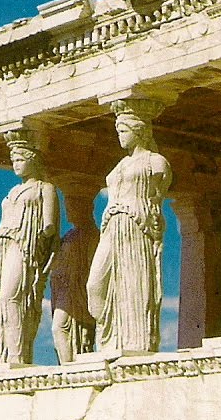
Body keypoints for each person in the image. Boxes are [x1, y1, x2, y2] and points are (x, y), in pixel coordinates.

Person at [86, 100, 172, 352]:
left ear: (139, 131)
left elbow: (157, 198)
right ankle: (110, 339)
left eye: (123, 131)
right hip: (112, 226)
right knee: (95, 285)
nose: (120, 136)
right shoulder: (120, 166)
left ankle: (136, 342)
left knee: (135, 283)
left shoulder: (157, 162)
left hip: (137, 226)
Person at [0, 136, 60, 365]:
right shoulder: (13, 190)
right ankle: (6, 353)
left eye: (20, 159)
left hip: (26, 247)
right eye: (13, 160)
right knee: (4, 300)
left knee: (12, 296)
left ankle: (18, 354)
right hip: (5, 246)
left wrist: (43, 244)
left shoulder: (45, 188)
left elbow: (50, 226)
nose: (16, 164)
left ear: (33, 160)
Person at [50, 190, 99, 363]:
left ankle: (69, 368)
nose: (68, 212)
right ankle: (67, 366)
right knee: (61, 328)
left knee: (59, 328)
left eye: (71, 207)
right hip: (63, 288)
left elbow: (94, 266)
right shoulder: (70, 235)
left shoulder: (92, 235)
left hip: (78, 290)